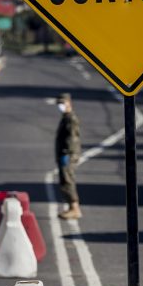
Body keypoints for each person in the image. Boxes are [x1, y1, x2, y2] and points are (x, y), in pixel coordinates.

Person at [55, 92, 82, 220]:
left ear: (69, 103)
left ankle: (75, 209)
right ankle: (71, 207)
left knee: (68, 181)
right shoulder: (66, 117)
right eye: (59, 103)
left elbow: (72, 138)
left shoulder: (71, 118)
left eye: (62, 103)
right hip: (65, 154)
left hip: (69, 154)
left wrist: (66, 152)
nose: (60, 106)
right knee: (64, 180)